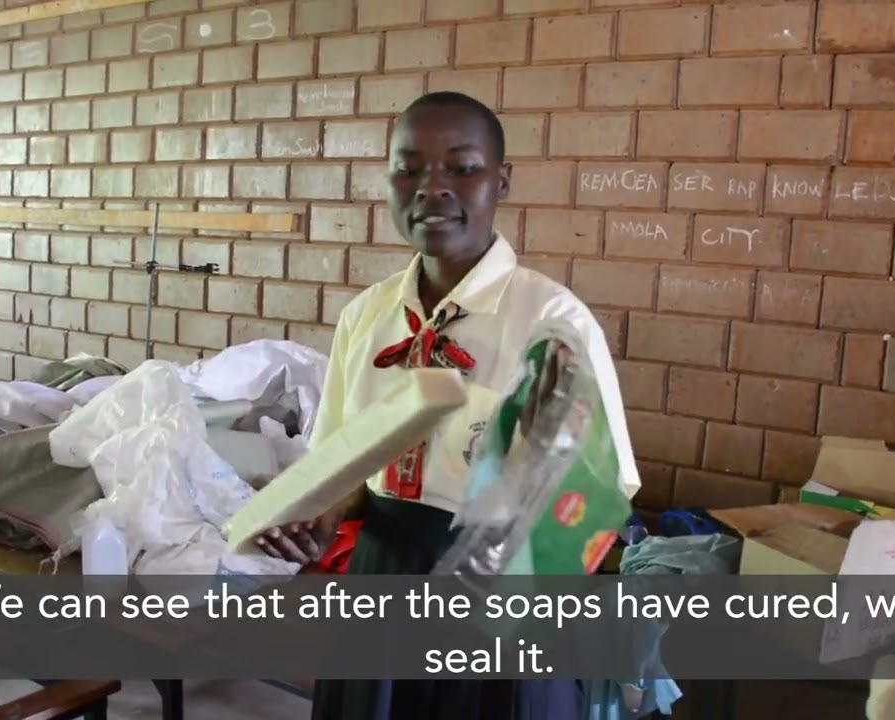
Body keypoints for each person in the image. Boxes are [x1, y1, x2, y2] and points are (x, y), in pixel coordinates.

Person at [254, 91, 642, 720]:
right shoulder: (368, 315)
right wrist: (318, 515)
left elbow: (601, 492)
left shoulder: (551, 321)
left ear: (502, 181)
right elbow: (341, 459)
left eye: (462, 167)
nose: (431, 189)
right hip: (382, 573)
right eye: (408, 169)